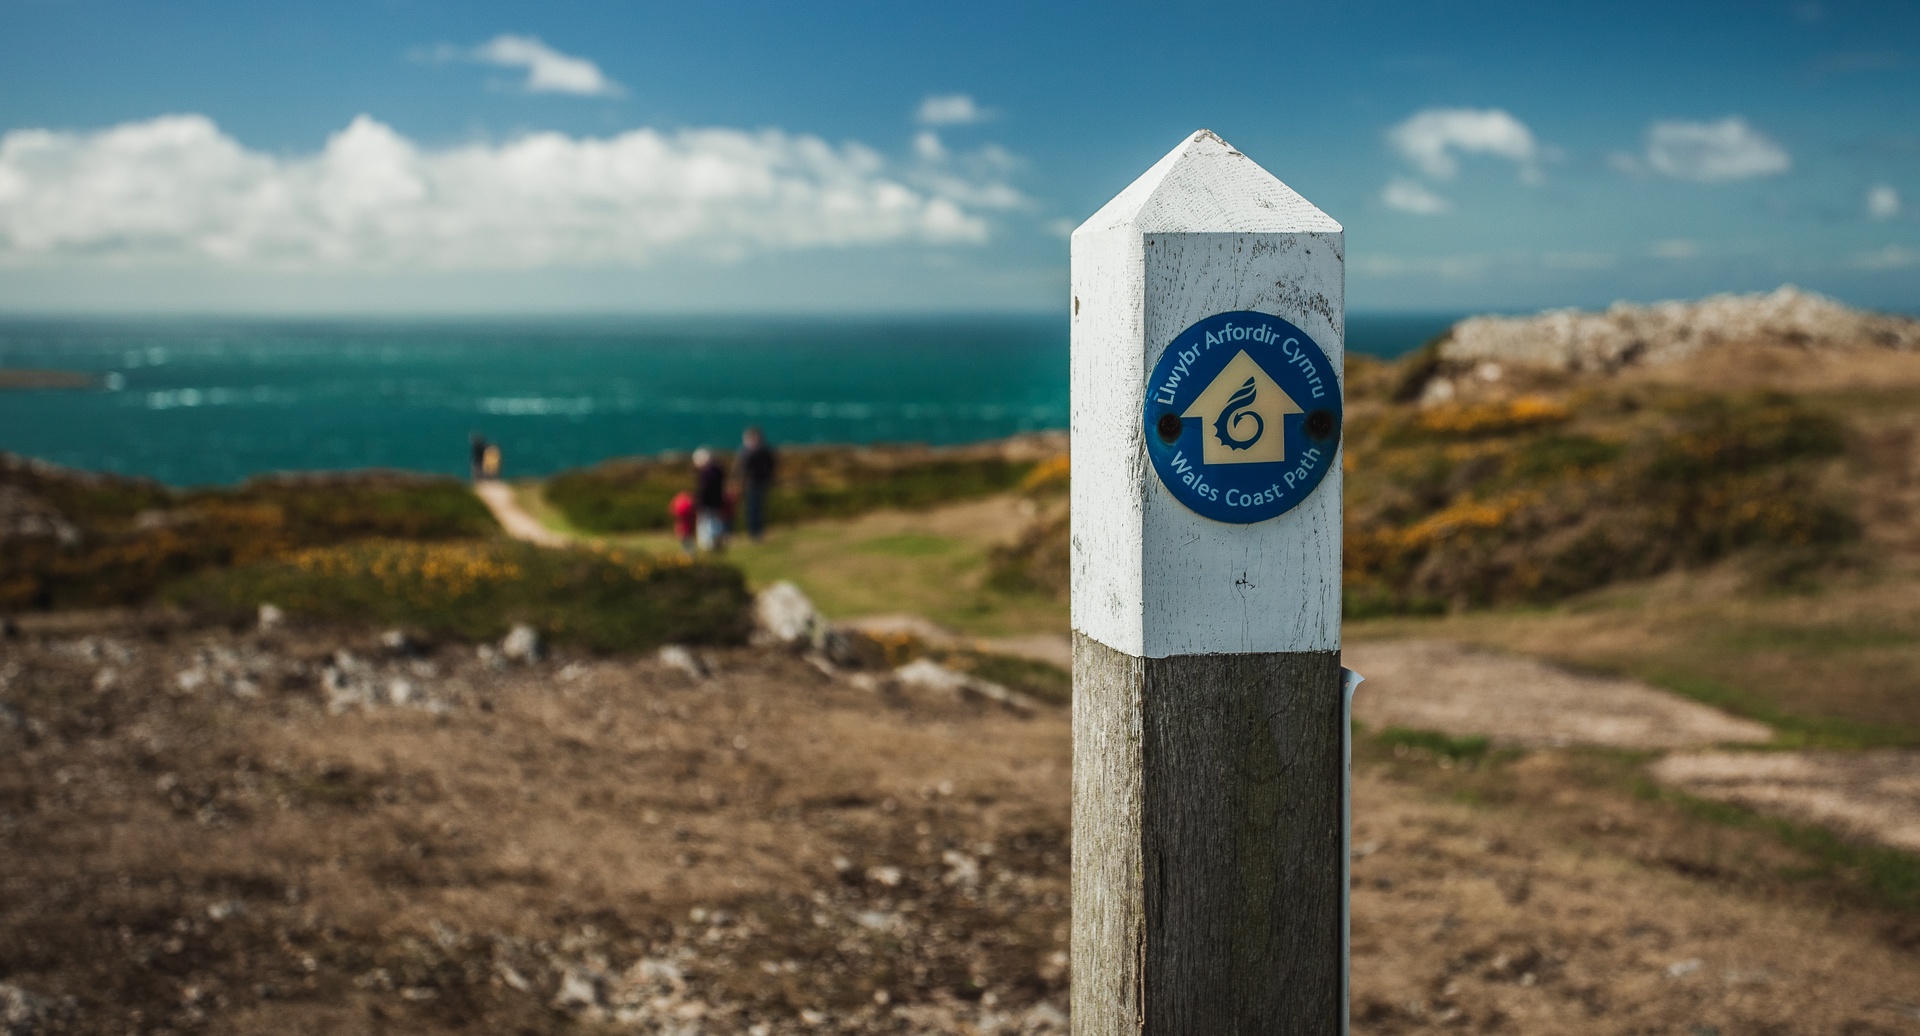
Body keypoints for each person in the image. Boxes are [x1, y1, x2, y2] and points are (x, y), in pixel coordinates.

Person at [734, 426, 777, 542]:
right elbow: (740, 469)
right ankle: (753, 532)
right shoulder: (748, 451)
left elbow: (770, 466)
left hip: (758, 483)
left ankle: (757, 532)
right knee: (751, 508)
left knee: (757, 508)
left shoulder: (759, 451)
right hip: (751, 483)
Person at [692, 448, 728, 552]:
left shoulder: (707, 473)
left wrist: (699, 502)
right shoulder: (718, 470)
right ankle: (716, 542)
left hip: (708, 502)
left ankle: (709, 545)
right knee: (715, 522)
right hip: (717, 500)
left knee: (707, 523)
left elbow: (705, 489)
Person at [669, 490, 697, 556]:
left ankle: (688, 552)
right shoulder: (688, 502)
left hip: (682, 525)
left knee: (685, 540)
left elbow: (672, 511)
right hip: (687, 525)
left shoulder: (678, 501)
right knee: (688, 540)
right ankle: (690, 552)